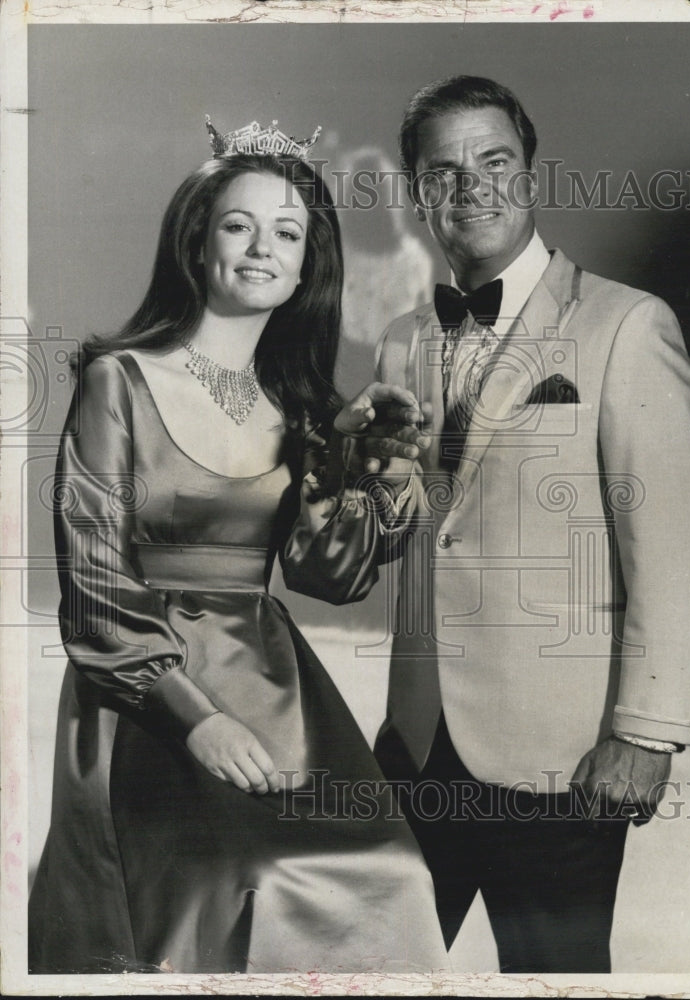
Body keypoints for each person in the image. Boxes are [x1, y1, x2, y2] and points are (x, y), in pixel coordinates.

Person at [28, 122, 448, 975]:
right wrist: (197, 720)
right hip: (145, 695)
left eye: (286, 233)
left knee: (390, 874)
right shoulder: (120, 378)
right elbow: (94, 578)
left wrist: (377, 474)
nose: (262, 249)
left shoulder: (302, 411)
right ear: (197, 241)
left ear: (305, 267)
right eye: (238, 225)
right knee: (245, 882)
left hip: (277, 690)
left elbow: (329, 576)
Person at [354, 76, 690, 973]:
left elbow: (678, 546)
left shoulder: (626, 324)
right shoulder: (403, 337)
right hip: (414, 742)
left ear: (530, 175)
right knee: (368, 972)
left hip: (563, 758)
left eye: (494, 162)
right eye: (443, 172)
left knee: (554, 982)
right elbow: (415, 532)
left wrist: (644, 735)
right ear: (417, 193)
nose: (471, 188)